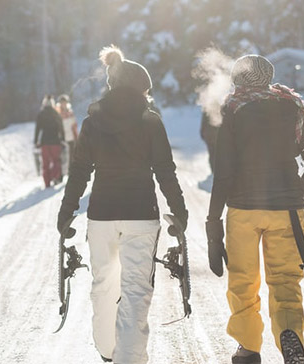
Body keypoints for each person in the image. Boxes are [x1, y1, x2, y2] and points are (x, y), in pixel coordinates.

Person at [57, 45, 188, 364]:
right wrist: (179, 210)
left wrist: (67, 210)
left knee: (103, 287)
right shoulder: (151, 121)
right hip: (142, 216)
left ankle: (107, 352)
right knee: (134, 292)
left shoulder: (92, 122)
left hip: (101, 216)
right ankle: (128, 359)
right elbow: (165, 171)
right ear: (141, 89)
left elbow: (79, 171)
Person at [205, 55, 304, 364]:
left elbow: (224, 172)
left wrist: (213, 221)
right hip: (286, 209)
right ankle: (290, 335)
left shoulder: (232, 109)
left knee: (243, 280)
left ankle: (248, 348)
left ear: (238, 80)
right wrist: (300, 195)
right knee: (285, 280)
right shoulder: (293, 106)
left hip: (243, 210)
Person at [34, 95, 65, 188]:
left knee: (45, 163)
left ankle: (47, 182)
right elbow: (61, 127)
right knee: (56, 161)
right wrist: (62, 139)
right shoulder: (56, 113)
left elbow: (37, 129)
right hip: (56, 141)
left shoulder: (41, 114)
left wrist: (36, 141)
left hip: (45, 142)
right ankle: (55, 176)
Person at [56, 94, 78, 174]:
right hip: (62, 138)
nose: (63, 104)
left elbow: (74, 125)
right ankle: (61, 173)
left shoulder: (70, 112)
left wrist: (76, 137)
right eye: (62, 102)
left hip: (71, 137)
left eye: (64, 102)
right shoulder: (57, 113)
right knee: (62, 156)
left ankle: (70, 171)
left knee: (71, 155)